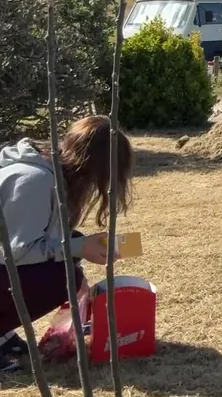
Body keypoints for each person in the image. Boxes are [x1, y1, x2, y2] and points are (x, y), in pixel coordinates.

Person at [0, 115, 133, 370]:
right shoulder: (34, 180)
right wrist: (78, 248)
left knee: (67, 268)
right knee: (61, 278)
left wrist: (77, 244)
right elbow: (16, 251)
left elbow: (38, 236)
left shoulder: (48, 174)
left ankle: (2, 335)